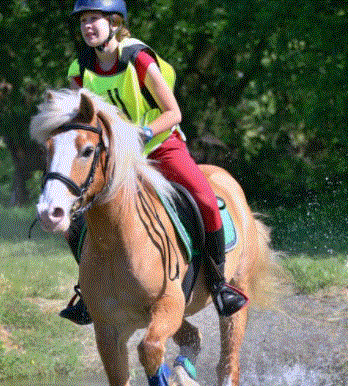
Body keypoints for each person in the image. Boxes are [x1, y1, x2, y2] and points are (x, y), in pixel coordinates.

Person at [60, 0, 249, 325]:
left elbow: (173, 113)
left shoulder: (139, 60)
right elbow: (84, 119)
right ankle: (88, 292)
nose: (88, 27)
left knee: (204, 198)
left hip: (161, 146)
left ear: (115, 23)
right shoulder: (80, 69)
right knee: (74, 213)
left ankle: (219, 284)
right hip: (117, 156)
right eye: (83, 21)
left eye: (95, 20)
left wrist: (142, 133)